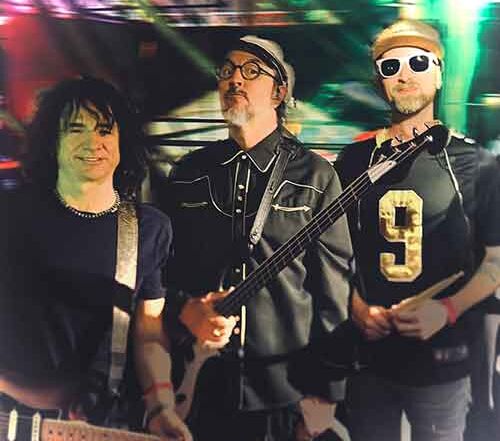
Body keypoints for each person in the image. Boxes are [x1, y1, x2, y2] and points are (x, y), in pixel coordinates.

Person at [159, 35, 353, 441]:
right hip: (196, 386)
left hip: (283, 391)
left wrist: (327, 390)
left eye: (251, 71)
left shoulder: (316, 177)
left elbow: (333, 293)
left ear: (279, 92)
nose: (235, 80)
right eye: (227, 71)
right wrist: (183, 310)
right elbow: (160, 274)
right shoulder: (189, 173)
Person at [334, 19, 500, 441]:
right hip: (367, 361)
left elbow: (496, 263)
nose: (405, 74)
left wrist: (447, 310)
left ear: (439, 73)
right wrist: (355, 306)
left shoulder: (476, 164)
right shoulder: (352, 162)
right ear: (379, 82)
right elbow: (331, 254)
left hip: (443, 364)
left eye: (418, 62)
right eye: (390, 66)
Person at [0, 77, 191, 440]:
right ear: (53, 141)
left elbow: (149, 330)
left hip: (101, 419)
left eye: (105, 130)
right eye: (76, 129)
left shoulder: (148, 228)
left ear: (122, 142)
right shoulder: (10, 215)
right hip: (13, 417)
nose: (93, 142)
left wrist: (161, 406)